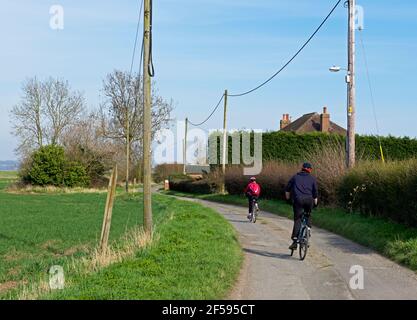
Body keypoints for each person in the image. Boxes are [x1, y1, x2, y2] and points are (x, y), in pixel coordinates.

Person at [285, 162, 318, 250]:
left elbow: (287, 188)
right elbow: (315, 192)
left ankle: (295, 241)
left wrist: (287, 197)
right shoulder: (312, 178)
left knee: (298, 219)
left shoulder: (295, 177)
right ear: (310, 170)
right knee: (308, 214)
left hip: (298, 200)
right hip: (309, 200)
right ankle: (308, 231)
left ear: (302, 168)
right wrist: (315, 201)